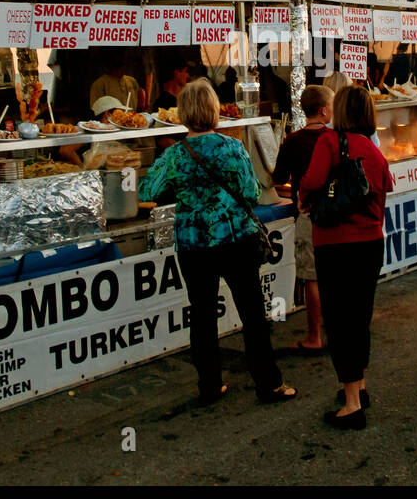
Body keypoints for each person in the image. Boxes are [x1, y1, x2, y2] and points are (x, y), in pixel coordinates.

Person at [137, 79, 297, 406]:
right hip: (236, 239)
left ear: (183, 113)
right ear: (213, 110)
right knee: (252, 314)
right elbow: (251, 193)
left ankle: (209, 386)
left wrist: (181, 191)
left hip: (194, 246)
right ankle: (269, 384)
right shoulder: (232, 148)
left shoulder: (175, 155)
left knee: (203, 316)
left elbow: (147, 192)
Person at [299, 87, 390, 430]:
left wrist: (305, 198)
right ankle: (359, 387)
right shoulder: (374, 150)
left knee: (339, 322)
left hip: (335, 244)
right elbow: (383, 188)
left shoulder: (330, 142)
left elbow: (311, 180)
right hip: (369, 244)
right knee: (359, 317)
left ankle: (352, 404)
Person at [271, 85, 334, 354]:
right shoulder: (335, 138)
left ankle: (313, 336)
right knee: (334, 274)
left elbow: (278, 178)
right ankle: (336, 331)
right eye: (331, 105)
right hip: (336, 212)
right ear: (323, 110)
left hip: (307, 214)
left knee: (312, 278)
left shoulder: (292, 141)